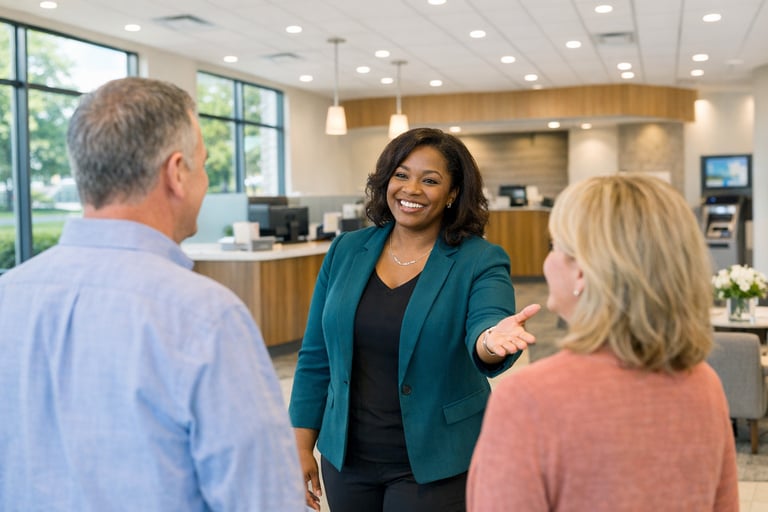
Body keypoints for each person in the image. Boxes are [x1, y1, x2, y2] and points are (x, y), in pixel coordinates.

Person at [0, 77, 306, 511]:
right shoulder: (205, 317)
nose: (204, 182)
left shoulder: (8, 295)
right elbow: (263, 501)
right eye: (203, 165)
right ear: (177, 172)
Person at [288, 127, 540, 512]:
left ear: (453, 193)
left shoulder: (479, 259)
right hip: (348, 460)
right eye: (401, 175)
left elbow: (487, 324)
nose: (411, 189)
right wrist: (301, 443)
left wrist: (489, 341)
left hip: (436, 462)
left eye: (431, 180)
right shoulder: (346, 250)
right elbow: (316, 356)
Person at [467, 174, 739, 511]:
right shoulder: (703, 383)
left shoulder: (528, 399)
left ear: (581, 271)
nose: (547, 261)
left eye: (553, 246)